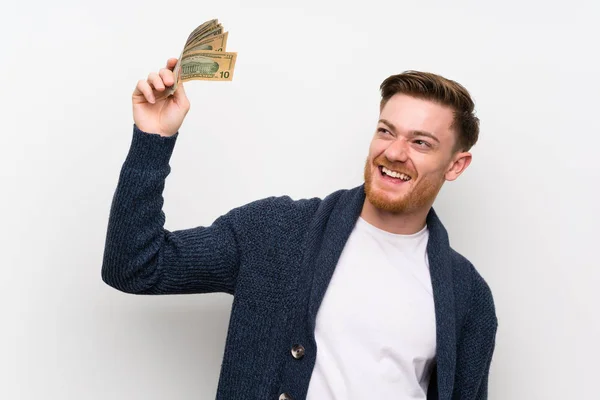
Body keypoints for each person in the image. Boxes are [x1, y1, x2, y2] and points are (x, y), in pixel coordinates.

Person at [102, 57, 498, 400]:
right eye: (386, 130)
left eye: (421, 143)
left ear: (455, 165)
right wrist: (152, 141)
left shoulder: (468, 296)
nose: (394, 152)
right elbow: (136, 267)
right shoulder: (276, 232)